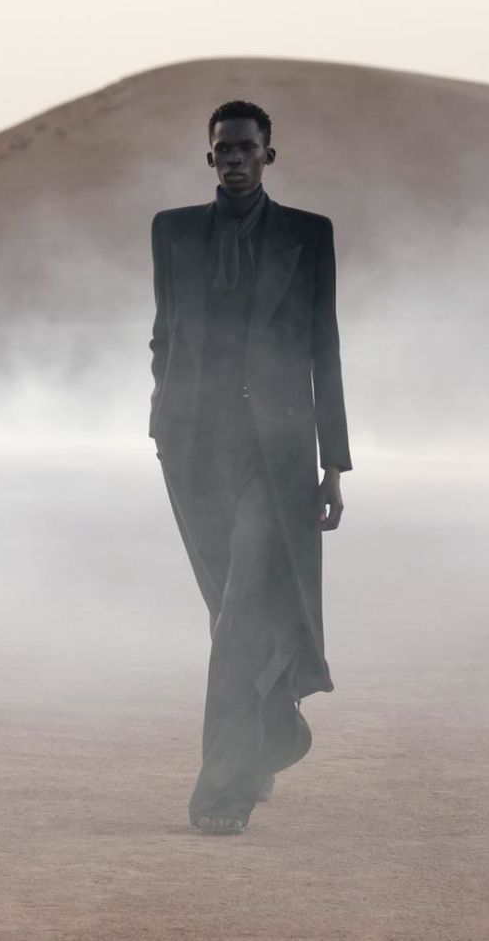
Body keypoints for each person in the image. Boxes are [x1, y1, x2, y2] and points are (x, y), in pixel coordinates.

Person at [149, 100, 352, 835]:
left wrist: (334, 465)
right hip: (193, 449)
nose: (234, 158)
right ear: (209, 157)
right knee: (228, 611)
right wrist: (162, 417)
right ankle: (274, 731)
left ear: (269, 154)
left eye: (246, 147)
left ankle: (222, 794)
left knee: (240, 618)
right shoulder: (171, 230)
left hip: (277, 455)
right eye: (223, 149)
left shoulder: (308, 233)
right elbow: (164, 332)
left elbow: (323, 348)